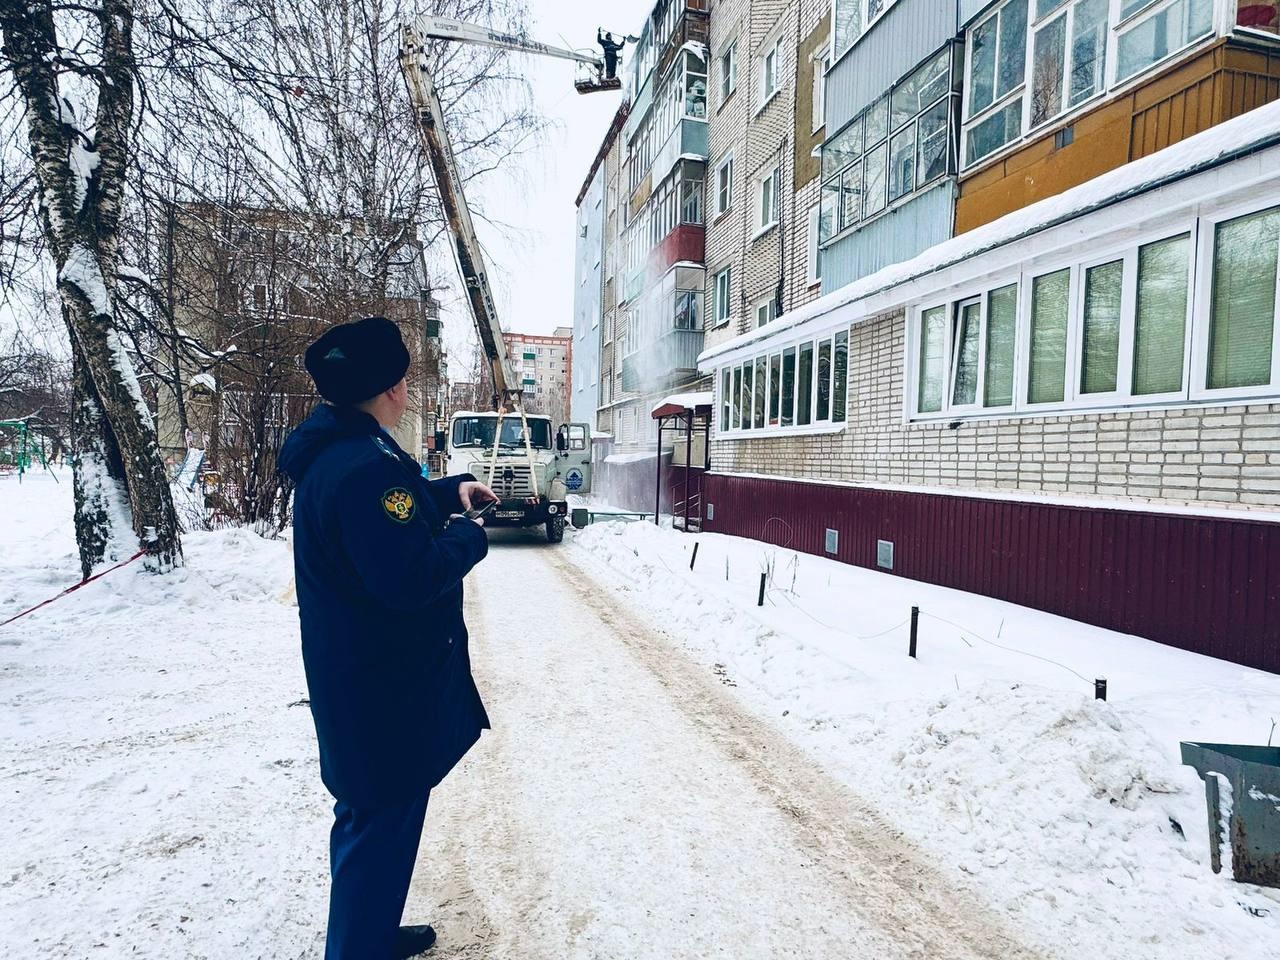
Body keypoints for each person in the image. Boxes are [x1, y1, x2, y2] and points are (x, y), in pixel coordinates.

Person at [279, 316, 496, 959]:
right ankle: (356, 948)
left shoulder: (343, 455)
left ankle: (367, 933)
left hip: (361, 679)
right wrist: (470, 536)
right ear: (391, 389)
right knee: (379, 820)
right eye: (404, 380)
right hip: (379, 689)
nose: (406, 390)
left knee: (372, 818)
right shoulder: (363, 466)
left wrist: (447, 493)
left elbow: (386, 513)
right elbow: (407, 576)